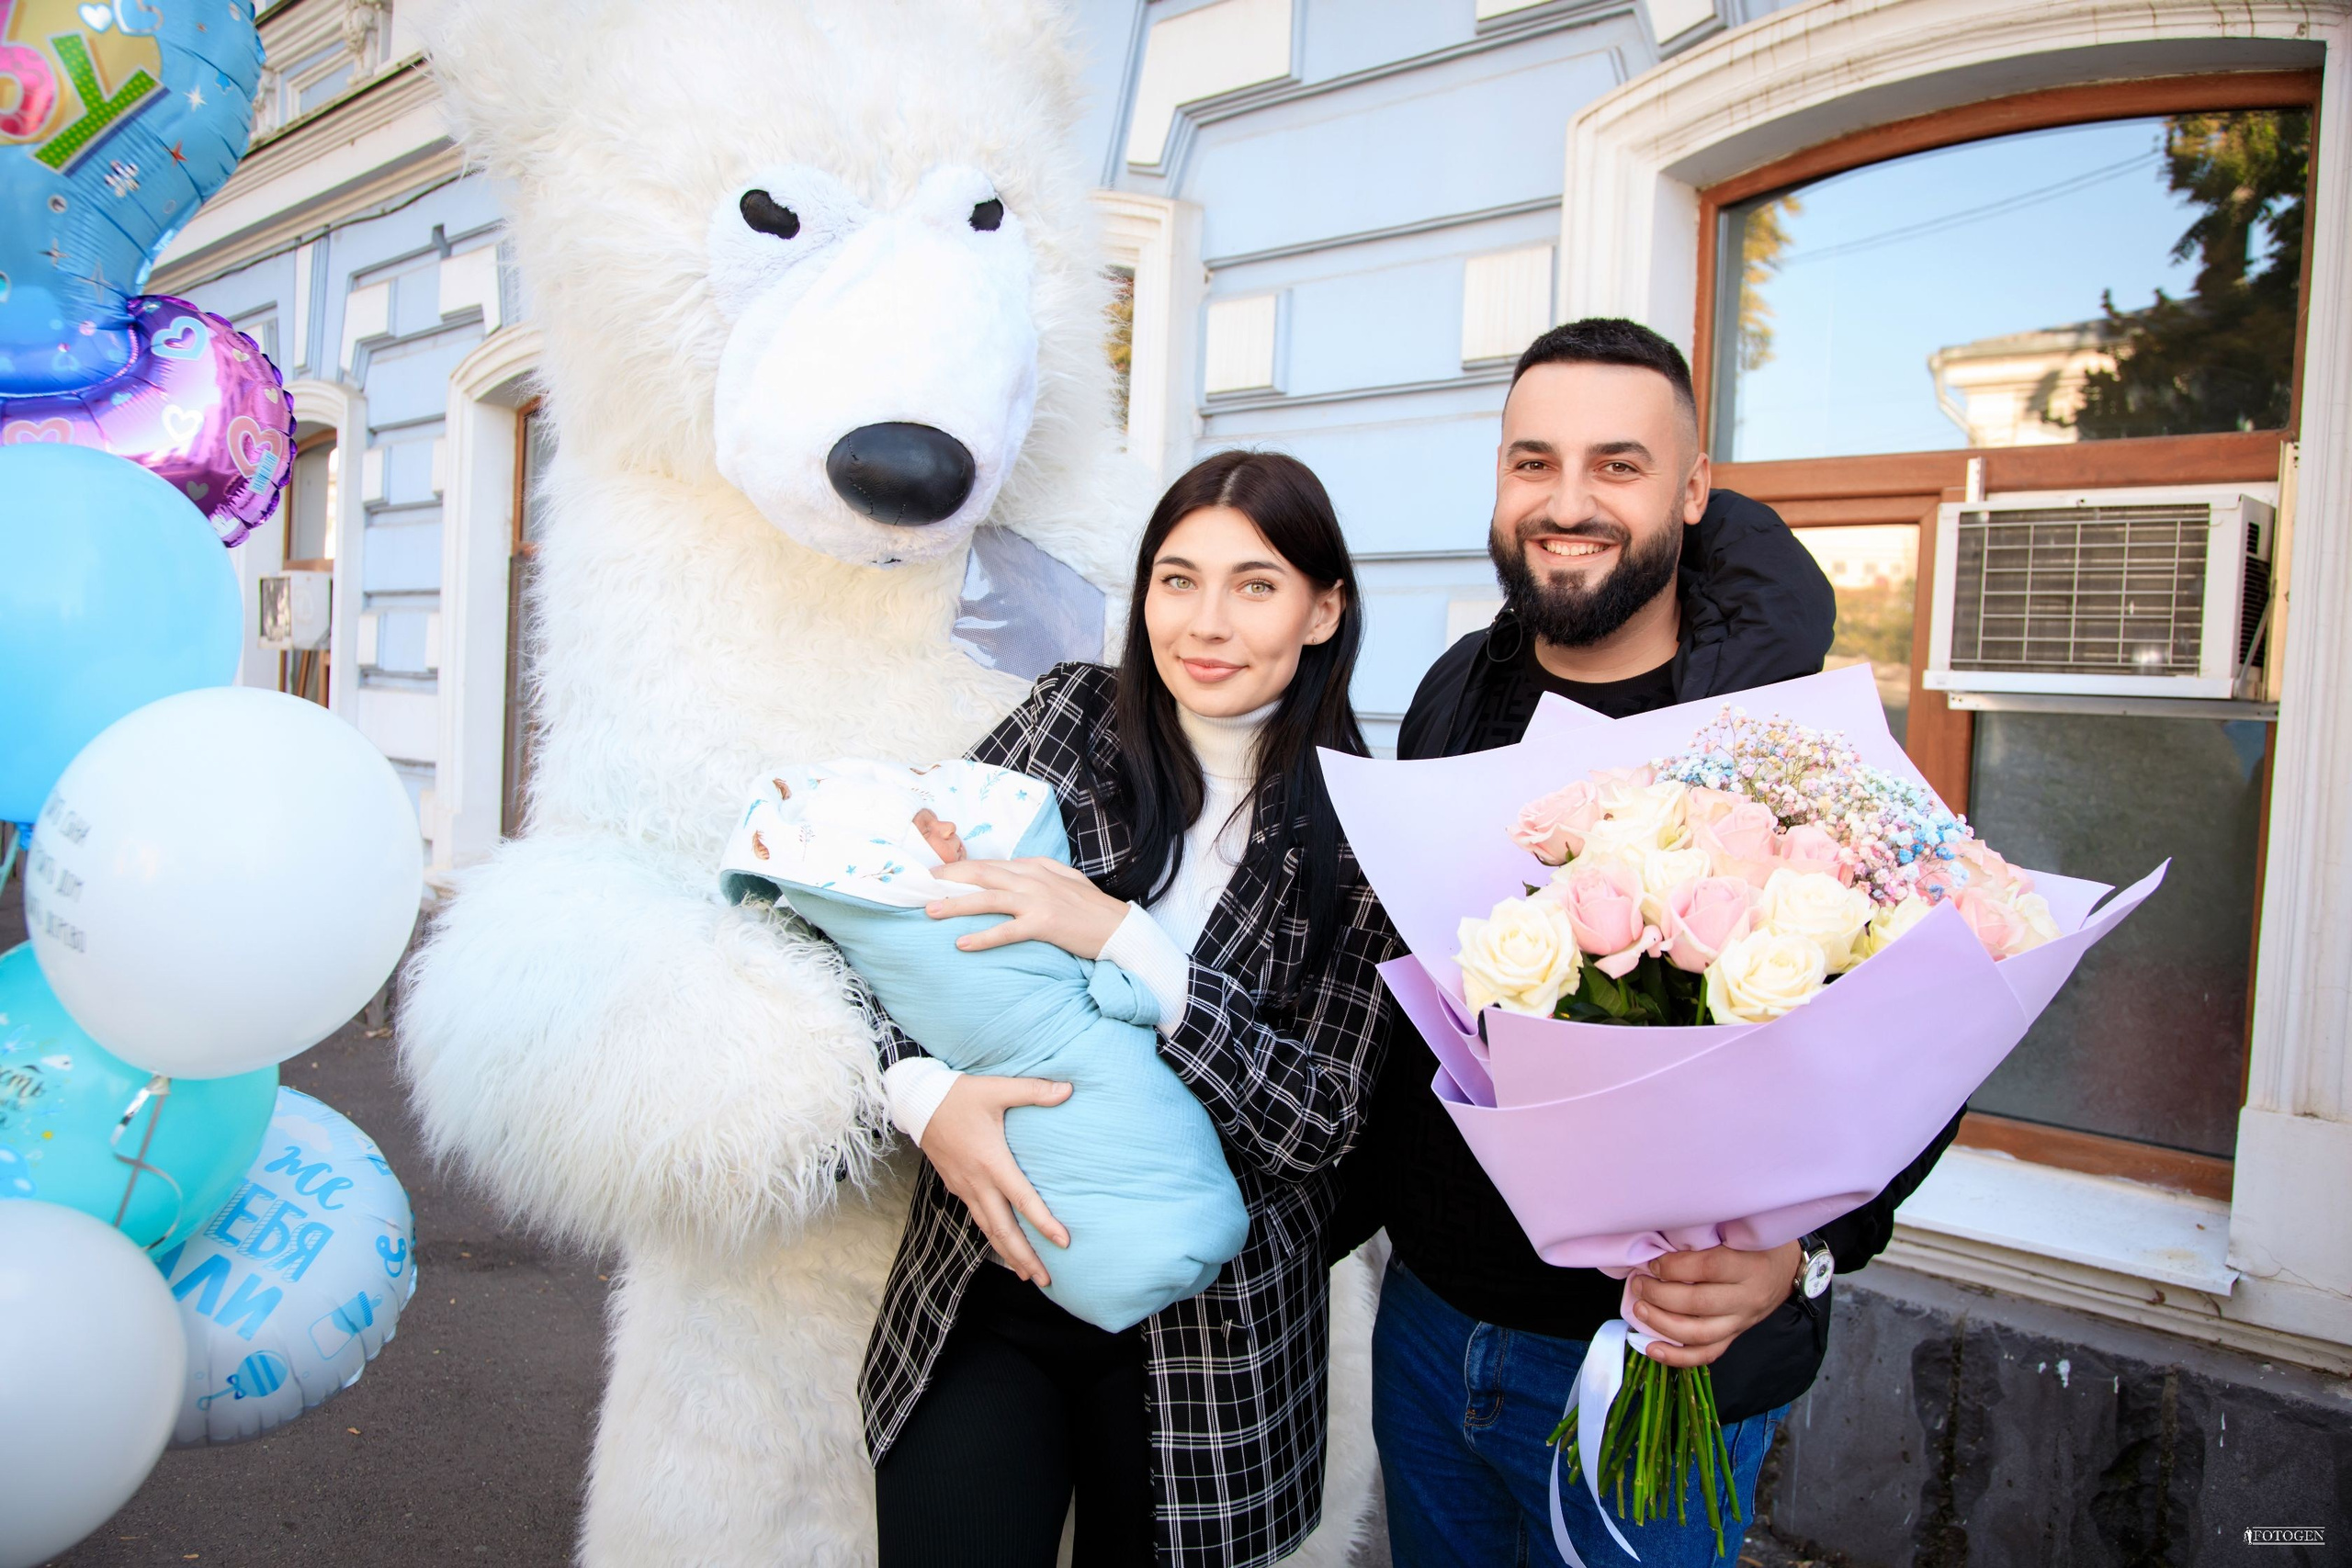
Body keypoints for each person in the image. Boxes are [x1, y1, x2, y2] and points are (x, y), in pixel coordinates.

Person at [1339, 318, 1962, 1567]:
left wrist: (1808, 1252)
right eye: (1533, 462)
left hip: (1650, 1362)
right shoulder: (1462, 685)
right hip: (1429, 1321)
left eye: (1617, 465)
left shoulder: (1792, 734)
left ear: (1690, 490)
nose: (1567, 503)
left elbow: (1935, 1028)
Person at [861, 450, 1400, 1568]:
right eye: (1176, 578)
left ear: (1321, 609)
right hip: (990, 1276)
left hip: (1222, 1338)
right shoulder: (1069, 724)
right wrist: (926, 1098)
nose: (1205, 623)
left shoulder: (1368, 835)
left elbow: (1322, 1123)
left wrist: (1129, 946)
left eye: (1255, 585)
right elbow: (875, 923)